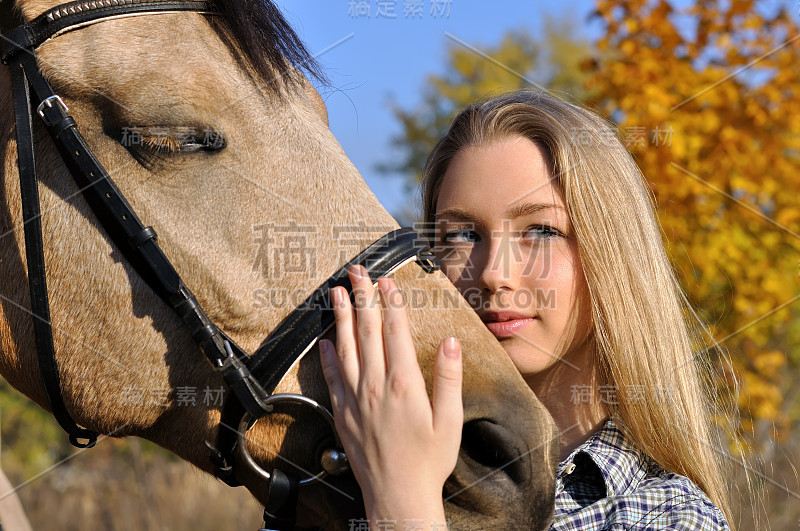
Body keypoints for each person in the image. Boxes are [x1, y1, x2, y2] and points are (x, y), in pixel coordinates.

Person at [319, 90, 733, 530]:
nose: (495, 275)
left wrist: (402, 507)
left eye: (540, 230)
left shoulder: (667, 515)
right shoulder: (357, 474)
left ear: (614, 256)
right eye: (463, 235)